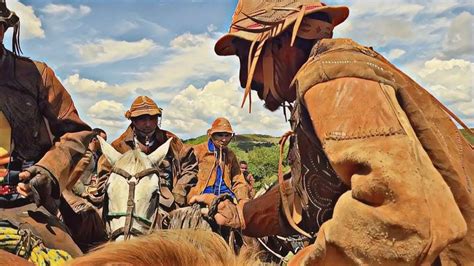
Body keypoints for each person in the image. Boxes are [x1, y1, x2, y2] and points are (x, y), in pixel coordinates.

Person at [191, 0, 474, 265]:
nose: (244, 79)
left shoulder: (333, 76)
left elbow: (403, 220)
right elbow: (315, 188)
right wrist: (243, 214)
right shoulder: (331, 74)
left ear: (282, 44)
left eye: (246, 57)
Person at [0, 0, 92, 260]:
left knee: (76, 258)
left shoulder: (36, 75)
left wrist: (47, 171)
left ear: (4, 29)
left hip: (22, 202)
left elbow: (76, 133)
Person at [96, 96, 198, 209]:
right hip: (128, 203)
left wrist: (179, 192)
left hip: (168, 200)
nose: (148, 124)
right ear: (133, 120)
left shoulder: (172, 141)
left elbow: (190, 167)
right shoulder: (118, 146)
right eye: (142, 119)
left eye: (153, 118)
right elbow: (103, 177)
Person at [187, 118, 249, 203]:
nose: (224, 139)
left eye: (227, 135)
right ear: (212, 135)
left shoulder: (230, 155)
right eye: (220, 135)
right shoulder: (197, 151)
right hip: (202, 193)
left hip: (225, 195)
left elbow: (239, 180)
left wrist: (243, 199)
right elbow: (187, 176)